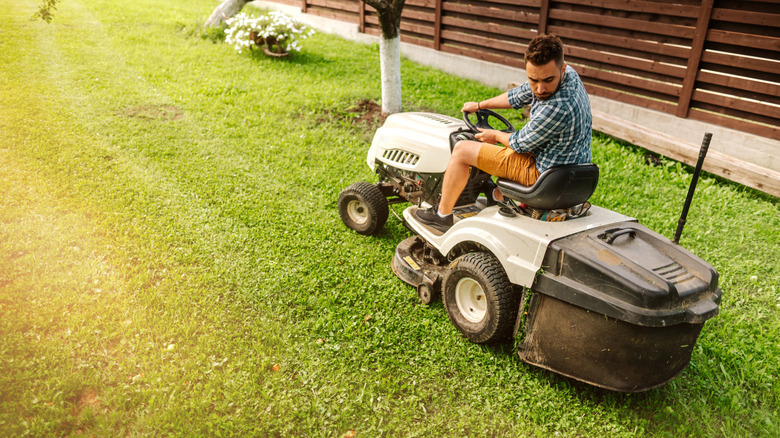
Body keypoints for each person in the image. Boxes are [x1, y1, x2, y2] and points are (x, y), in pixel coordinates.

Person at [415, 34, 592, 231]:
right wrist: (480, 105)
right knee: (493, 147)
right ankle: (495, 195)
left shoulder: (557, 107)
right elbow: (520, 94)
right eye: (533, 79)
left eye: (547, 80)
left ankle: (441, 215)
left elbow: (519, 143)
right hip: (571, 167)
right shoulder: (570, 75)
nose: (540, 88)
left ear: (562, 68)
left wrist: (496, 135)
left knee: (462, 150)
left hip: (545, 175)